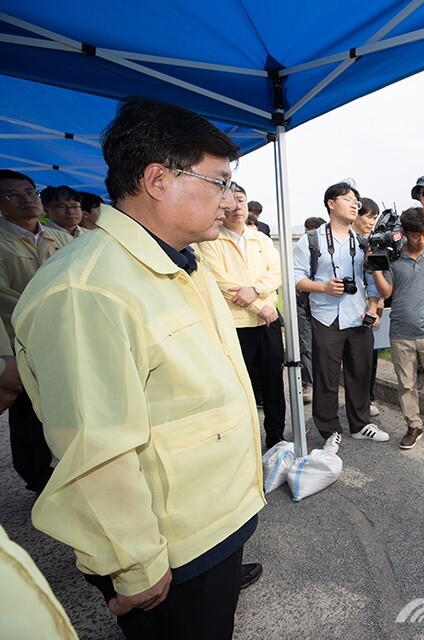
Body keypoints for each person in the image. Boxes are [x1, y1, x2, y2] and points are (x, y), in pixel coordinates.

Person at [12, 97, 265, 639]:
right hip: (168, 550)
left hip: (213, 516)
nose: (230, 199)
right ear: (157, 179)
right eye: (219, 182)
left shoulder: (179, 261)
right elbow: (94, 445)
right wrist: (135, 562)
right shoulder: (88, 290)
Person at [293, 182, 388, 454]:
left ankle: (360, 425)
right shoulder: (311, 240)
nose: (355, 203)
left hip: (358, 316)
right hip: (325, 316)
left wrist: (373, 307)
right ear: (331, 203)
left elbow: (369, 278)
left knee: (360, 372)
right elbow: (295, 277)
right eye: (348, 199)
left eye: (356, 200)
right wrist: (323, 287)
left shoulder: (362, 242)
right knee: (327, 376)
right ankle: (329, 429)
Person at [195, 184, 286, 448]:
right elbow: (222, 283)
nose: (237, 208)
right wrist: (260, 306)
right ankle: (242, 440)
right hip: (237, 324)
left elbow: (276, 272)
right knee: (239, 383)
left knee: (272, 382)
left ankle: (276, 438)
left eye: (242, 202)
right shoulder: (211, 241)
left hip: (268, 322)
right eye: (231, 203)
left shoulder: (262, 239)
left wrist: (257, 291)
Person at [0, 169, 72, 493]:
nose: (27, 199)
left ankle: (72, 465)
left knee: (67, 400)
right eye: (15, 194)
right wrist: (47, 310)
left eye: (30, 192)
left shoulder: (61, 238)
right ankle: (36, 475)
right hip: (21, 340)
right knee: (28, 411)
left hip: (64, 334)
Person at [372, 207, 424, 451]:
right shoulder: (393, 259)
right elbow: (386, 292)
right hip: (401, 333)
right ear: (404, 233)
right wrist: (376, 267)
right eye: (416, 235)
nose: (422, 239)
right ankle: (414, 426)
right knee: (406, 385)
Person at [353, 197, 383, 417]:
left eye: (375, 217)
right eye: (369, 216)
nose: (372, 222)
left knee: (369, 358)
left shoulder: (372, 243)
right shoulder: (345, 241)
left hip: (367, 310)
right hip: (346, 310)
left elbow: (375, 281)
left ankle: (367, 399)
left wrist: (375, 308)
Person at [296, 216, 326, 404]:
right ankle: (308, 384)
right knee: (305, 346)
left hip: (324, 307)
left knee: (324, 348)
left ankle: (322, 384)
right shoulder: (301, 249)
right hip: (303, 304)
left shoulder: (325, 251)